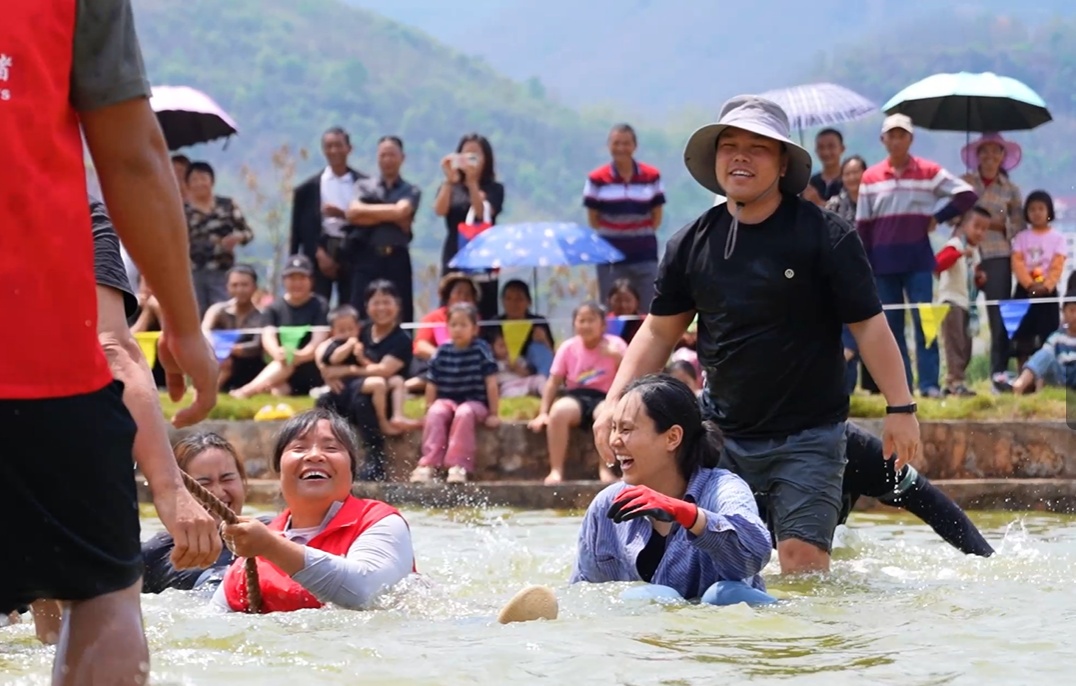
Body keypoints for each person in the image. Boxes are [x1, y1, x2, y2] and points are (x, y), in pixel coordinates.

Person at [595, 95, 918, 576]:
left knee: (802, 566)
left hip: (810, 433)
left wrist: (901, 408)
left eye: (757, 148)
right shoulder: (691, 244)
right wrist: (613, 401)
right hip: (722, 435)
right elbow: (659, 331)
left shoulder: (826, 236)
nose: (740, 157)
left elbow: (869, 326)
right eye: (729, 146)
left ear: (783, 163)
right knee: (707, 565)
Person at [1, 1, 219, 677]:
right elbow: (132, 154)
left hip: (42, 364)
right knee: (100, 593)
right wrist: (183, 325)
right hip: (38, 369)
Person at [572, 375, 776, 607]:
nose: (614, 441)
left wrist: (688, 515)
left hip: (725, 626)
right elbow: (585, 594)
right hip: (647, 628)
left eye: (626, 429)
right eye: (614, 429)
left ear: (672, 438)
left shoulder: (724, 489)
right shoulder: (607, 505)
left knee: (723, 595)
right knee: (650, 597)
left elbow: (754, 555)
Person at [215, 409, 417, 613]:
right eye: (299, 447)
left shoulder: (381, 522)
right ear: (278, 471)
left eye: (331, 448)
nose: (314, 456)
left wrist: (272, 547)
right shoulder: (255, 547)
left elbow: (366, 593)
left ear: (352, 470)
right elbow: (215, 619)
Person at [856, 114, 978, 398]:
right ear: (883, 140)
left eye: (902, 135)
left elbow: (966, 194)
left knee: (926, 324)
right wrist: (864, 265)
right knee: (891, 328)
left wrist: (938, 216)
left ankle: (929, 384)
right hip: (882, 263)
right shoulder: (870, 177)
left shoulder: (929, 171)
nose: (897, 141)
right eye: (892, 135)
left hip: (918, 261)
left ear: (910, 139)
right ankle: (901, 387)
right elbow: (863, 226)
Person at [142, 433, 259, 595]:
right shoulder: (156, 553)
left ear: (243, 482)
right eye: (203, 484)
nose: (218, 492)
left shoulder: (274, 535)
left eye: (227, 479)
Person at [530, 302, 627, 485]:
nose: (586, 325)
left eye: (591, 320)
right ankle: (556, 470)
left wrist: (617, 358)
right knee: (558, 412)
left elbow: (631, 375)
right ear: (574, 324)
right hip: (576, 396)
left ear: (603, 324)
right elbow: (553, 382)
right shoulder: (567, 347)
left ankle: (605, 469)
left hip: (606, 397)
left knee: (607, 414)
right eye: (581, 320)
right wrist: (543, 413)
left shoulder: (616, 345)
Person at [959, 133, 1026, 391]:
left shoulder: (1011, 189)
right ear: (977, 156)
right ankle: (957, 378)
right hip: (967, 253)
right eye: (984, 151)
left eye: (995, 151)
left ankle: (998, 374)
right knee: (961, 313)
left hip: (998, 254)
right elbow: (954, 217)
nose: (990, 156)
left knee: (999, 316)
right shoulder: (965, 183)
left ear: (1003, 156)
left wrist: (993, 224)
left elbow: (1018, 225)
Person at [410, 303, 501, 484]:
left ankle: (458, 465)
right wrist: (428, 409)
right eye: (453, 325)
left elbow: (491, 383)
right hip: (447, 400)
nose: (458, 329)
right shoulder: (442, 351)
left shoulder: (481, 349)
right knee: (436, 412)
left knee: (464, 413)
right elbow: (432, 383)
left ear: (474, 329)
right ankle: (429, 464)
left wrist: (494, 413)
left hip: (475, 402)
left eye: (463, 325)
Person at [583, 123, 666, 311]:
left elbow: (657, 217)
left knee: (649, 308)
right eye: (616, 143)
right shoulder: (597, 179)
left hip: (644, 255)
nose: (621, 148)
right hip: (609, 257)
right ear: (608, 146)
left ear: (634, 146)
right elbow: (593, 219)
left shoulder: (651, 176)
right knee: (611, 310)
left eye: (626, 143)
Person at [346, 135, 421, 323]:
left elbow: (402, 211)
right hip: (367, 255)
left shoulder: (410, 190)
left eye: (392, 155)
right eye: (383, 155)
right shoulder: (363, 186)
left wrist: (369, 213)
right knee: (360, 310)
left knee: (401, 311)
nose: (387, 160)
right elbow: (353, 213)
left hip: (397, 257)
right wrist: (393, 215)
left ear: (402, 158)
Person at [232, 255, 330, 398]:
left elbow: (318, 340)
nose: (297, 283)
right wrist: (277, 352)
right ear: (284, 280)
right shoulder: (274, 308)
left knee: (287, 363)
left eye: (302, 278)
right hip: (282, 363)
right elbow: (268, 336)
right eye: (292, 278)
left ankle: (245, 392)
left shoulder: (320, 305)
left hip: (310, 366)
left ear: (311, 280)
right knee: (279, 390)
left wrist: (299, 355)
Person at [290, 127, 366, 304]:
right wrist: (316, 254)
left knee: (352, 305)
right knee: (316, 304)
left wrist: (343, 215)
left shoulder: (364, 185)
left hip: (353, 252)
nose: (334, 151)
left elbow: (368, 223)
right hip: (318, 253)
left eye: (338, 145)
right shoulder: (307, 189)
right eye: (329, 146)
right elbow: (299, 230)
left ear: (349, 148)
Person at [433, 133, 505, 319]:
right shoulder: (451, 187)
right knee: (453, 296)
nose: (470, 160)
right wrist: (449, 180)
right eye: (465, 155)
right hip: (455, 249)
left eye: (475, 155)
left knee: (484, 301)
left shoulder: (494, 188)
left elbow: (482, 215)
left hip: (483, 252)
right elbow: (440, 210)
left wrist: (472, 183)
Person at [315, 304, 416, 437]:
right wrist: (326, 371)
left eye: (350, 329)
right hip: (347, 384)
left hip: (362, 378)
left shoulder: (397, 337)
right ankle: (382, 422)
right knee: (376, 386)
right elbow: (329, 356)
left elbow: (375, 367)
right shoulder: (339, 343)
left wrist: (360, 358)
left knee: (397, 380)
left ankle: (398, 416)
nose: (347, 333)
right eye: (342, 330)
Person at [185, 161, 256, 315]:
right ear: (187, 185)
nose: (199, 183)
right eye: (194, 179)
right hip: (193, 272)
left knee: (224, 313)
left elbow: (248, 233)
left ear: (212, 181)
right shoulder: (182, 210)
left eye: (203, 178)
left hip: (223, 271)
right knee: (196, 313)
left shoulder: (227, 205)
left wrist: (237, 238)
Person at [935, 207, 990, 396]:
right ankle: (955, 380)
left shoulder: (975, 252)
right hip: (951, 301)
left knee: (966, 345)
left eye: (984, 229)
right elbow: (938, 264)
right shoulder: (955, 245)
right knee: (955, 342)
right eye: (977, 227)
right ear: (965, 225)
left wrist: (979, 279)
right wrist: (959, 254)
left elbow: (970, 277)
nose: (980, 232)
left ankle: (955, 381)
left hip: (967, 304)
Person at [1011, 190, 1067, 364]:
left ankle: (1045, 374)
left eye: (1041, 208)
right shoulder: (1021, 237)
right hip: (1024, 290)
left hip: (1047, 292)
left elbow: (1057, 266)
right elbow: (1018, 263)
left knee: (1047, 333)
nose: (1037, 213)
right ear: (1026, 213)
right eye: (1032, 209)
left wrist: (1046, 286)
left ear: (1049, 211)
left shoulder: (1058, 238)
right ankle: (1022, 374)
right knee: (1022, 334)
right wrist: (1029, 285)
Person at [202, 264, 268, 391]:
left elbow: (256, 346)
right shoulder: (218, 311)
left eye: (244, 285)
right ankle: (208, 390)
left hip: (250, 366)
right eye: (235, 285)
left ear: (254, 287)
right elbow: (205, 331)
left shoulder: (262, 315)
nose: (240, 290)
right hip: (219, 361)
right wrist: (219, 351)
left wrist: (228, 349)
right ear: (227, 287)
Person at [1007, 290, 1076, 393]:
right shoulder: (1056, 337)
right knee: (1045, 354)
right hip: (1061, 377)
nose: (1075, 316)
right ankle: (1020, 384)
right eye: (1072, 310)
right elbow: (1043, 359)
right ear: (1064, 313)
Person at [488, 279, 555, 377]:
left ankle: (544, 381)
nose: (513, 303)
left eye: (519, 299)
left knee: (538, 348)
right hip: (504, 369)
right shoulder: (494, 323)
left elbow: (551, 353)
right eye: (508, 298)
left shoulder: (538, 322)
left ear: (528, 302)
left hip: (533, 370)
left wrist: (544, 340)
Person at [803, 128, 846, 207]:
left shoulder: (849, 180)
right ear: (816, 151)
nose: (826, 152)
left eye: (831, 146)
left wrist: (819, 203)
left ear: (842, 148)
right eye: (821, 147)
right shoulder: (812, 183)